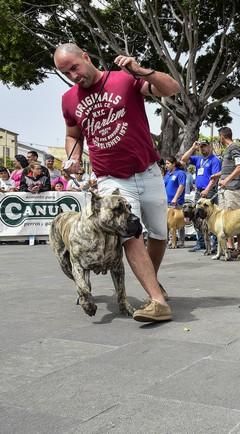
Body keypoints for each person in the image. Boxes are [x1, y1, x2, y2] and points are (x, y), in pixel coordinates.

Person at [54, 42, 180, 322]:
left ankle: (152, 283)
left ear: (86, 57)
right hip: (110, 178)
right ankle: (157, 301)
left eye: (75, 67)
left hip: (147, 170)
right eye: (66, 72)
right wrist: (72, 157)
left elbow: (172, 89)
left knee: (159, 234)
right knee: (129, 233)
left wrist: (141, 71)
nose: (73, 75)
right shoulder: (68, 99)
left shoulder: (124, 79)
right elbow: (73, 135)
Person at [180, 140, 221, 252]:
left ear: (210, 147)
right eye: (201, 147)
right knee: (197, 216)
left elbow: (215, 177)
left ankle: (214, 244)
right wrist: (193, 148)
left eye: (205, 146)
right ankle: (201, 242)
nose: (202, 149)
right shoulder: (198, 159)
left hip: (209, 191)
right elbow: (183, 160)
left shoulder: (215, 160)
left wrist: (207, 189)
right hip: (198, 191)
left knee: (211, 217)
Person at [211, 127, 240, 253]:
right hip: (224, 190)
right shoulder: (227, 150)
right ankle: (230, 247)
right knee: (226, 220)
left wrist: (227, 180)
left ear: (222, 136)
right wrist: (219, 175)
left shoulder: (235, 147)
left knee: (237, 219)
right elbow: (229, 169)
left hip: (232, 189)